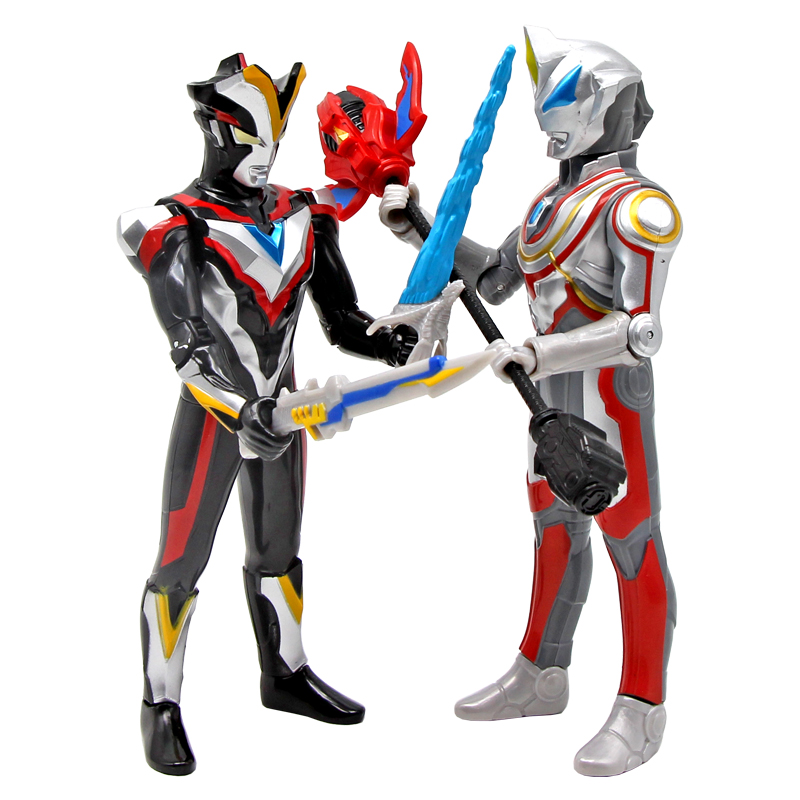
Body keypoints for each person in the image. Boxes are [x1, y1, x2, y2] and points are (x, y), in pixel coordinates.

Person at [379, 28, 681, 776]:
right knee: (553, 532)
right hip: (544, 401)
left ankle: (642, 706)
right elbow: (492, 278)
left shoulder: (639, 208)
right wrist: (422, 230)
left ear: (603, 106)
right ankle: (541, 673)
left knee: (631, 543)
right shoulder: (551, 204)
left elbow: (640, 330)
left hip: (609, 403)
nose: (552, 125)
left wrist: (542, 353)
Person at [117, 53, 416, 775]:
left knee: (278, 550)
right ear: (215, 131)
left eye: (273, 142)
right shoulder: (175, 225)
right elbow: (189, 349)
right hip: (216, 414)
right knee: (181, 559)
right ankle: (161, 703)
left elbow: (344, 321)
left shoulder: (302, 214)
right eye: (250, 140)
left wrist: (394, 338)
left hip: (287, 410)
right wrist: (240, 407)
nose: (264, 156)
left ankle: (284, 673)